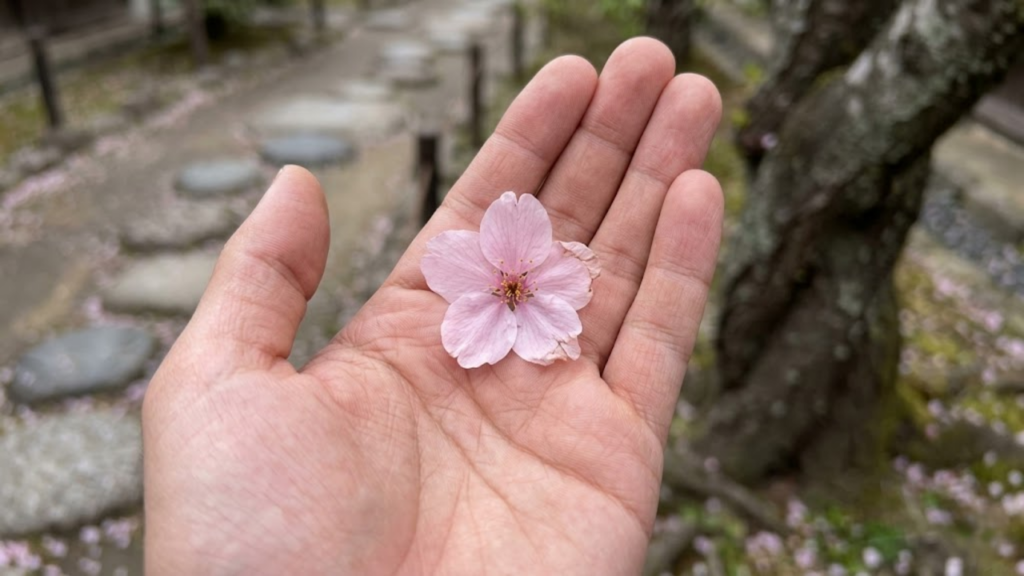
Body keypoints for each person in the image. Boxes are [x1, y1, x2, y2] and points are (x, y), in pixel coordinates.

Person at [143, 37, 723, 575]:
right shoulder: (479, 281)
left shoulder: (547, 282)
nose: (513, 289)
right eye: (510, 285)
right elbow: (467, 322)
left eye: (515, 285)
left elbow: (561, 280)